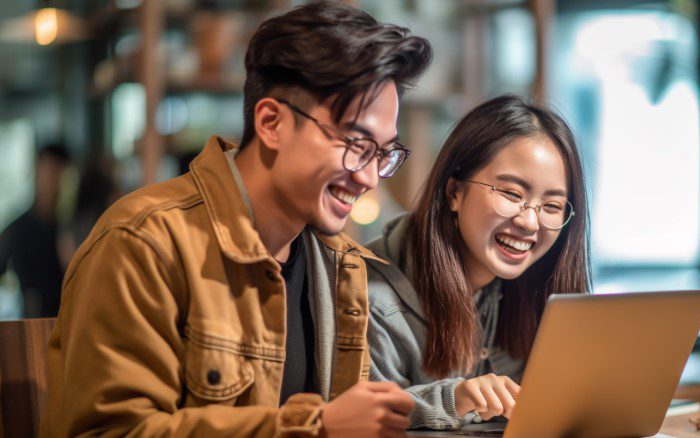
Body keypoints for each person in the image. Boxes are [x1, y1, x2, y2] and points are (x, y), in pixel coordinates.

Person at [42, 3, 432, 437]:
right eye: (357, 144)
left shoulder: (340, 267)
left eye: (383, 154)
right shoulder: (144, 242)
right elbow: (110, 431)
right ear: (271, 123)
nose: (368, 177)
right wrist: (312, 428)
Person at [365, 94, 591, 429]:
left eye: (552, 206)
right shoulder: (371, 297)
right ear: (454, 192)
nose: (531, 222)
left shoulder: (531, 288)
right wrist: (456, 398)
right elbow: (363, 419)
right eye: (512, 194)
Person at [0, 143, 70, 318]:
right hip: (29, 329)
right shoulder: (17, 230)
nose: (53, 182)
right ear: (36, 172)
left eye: (59, 174)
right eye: (50, 173)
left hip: (67, 326)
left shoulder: (70, 229)